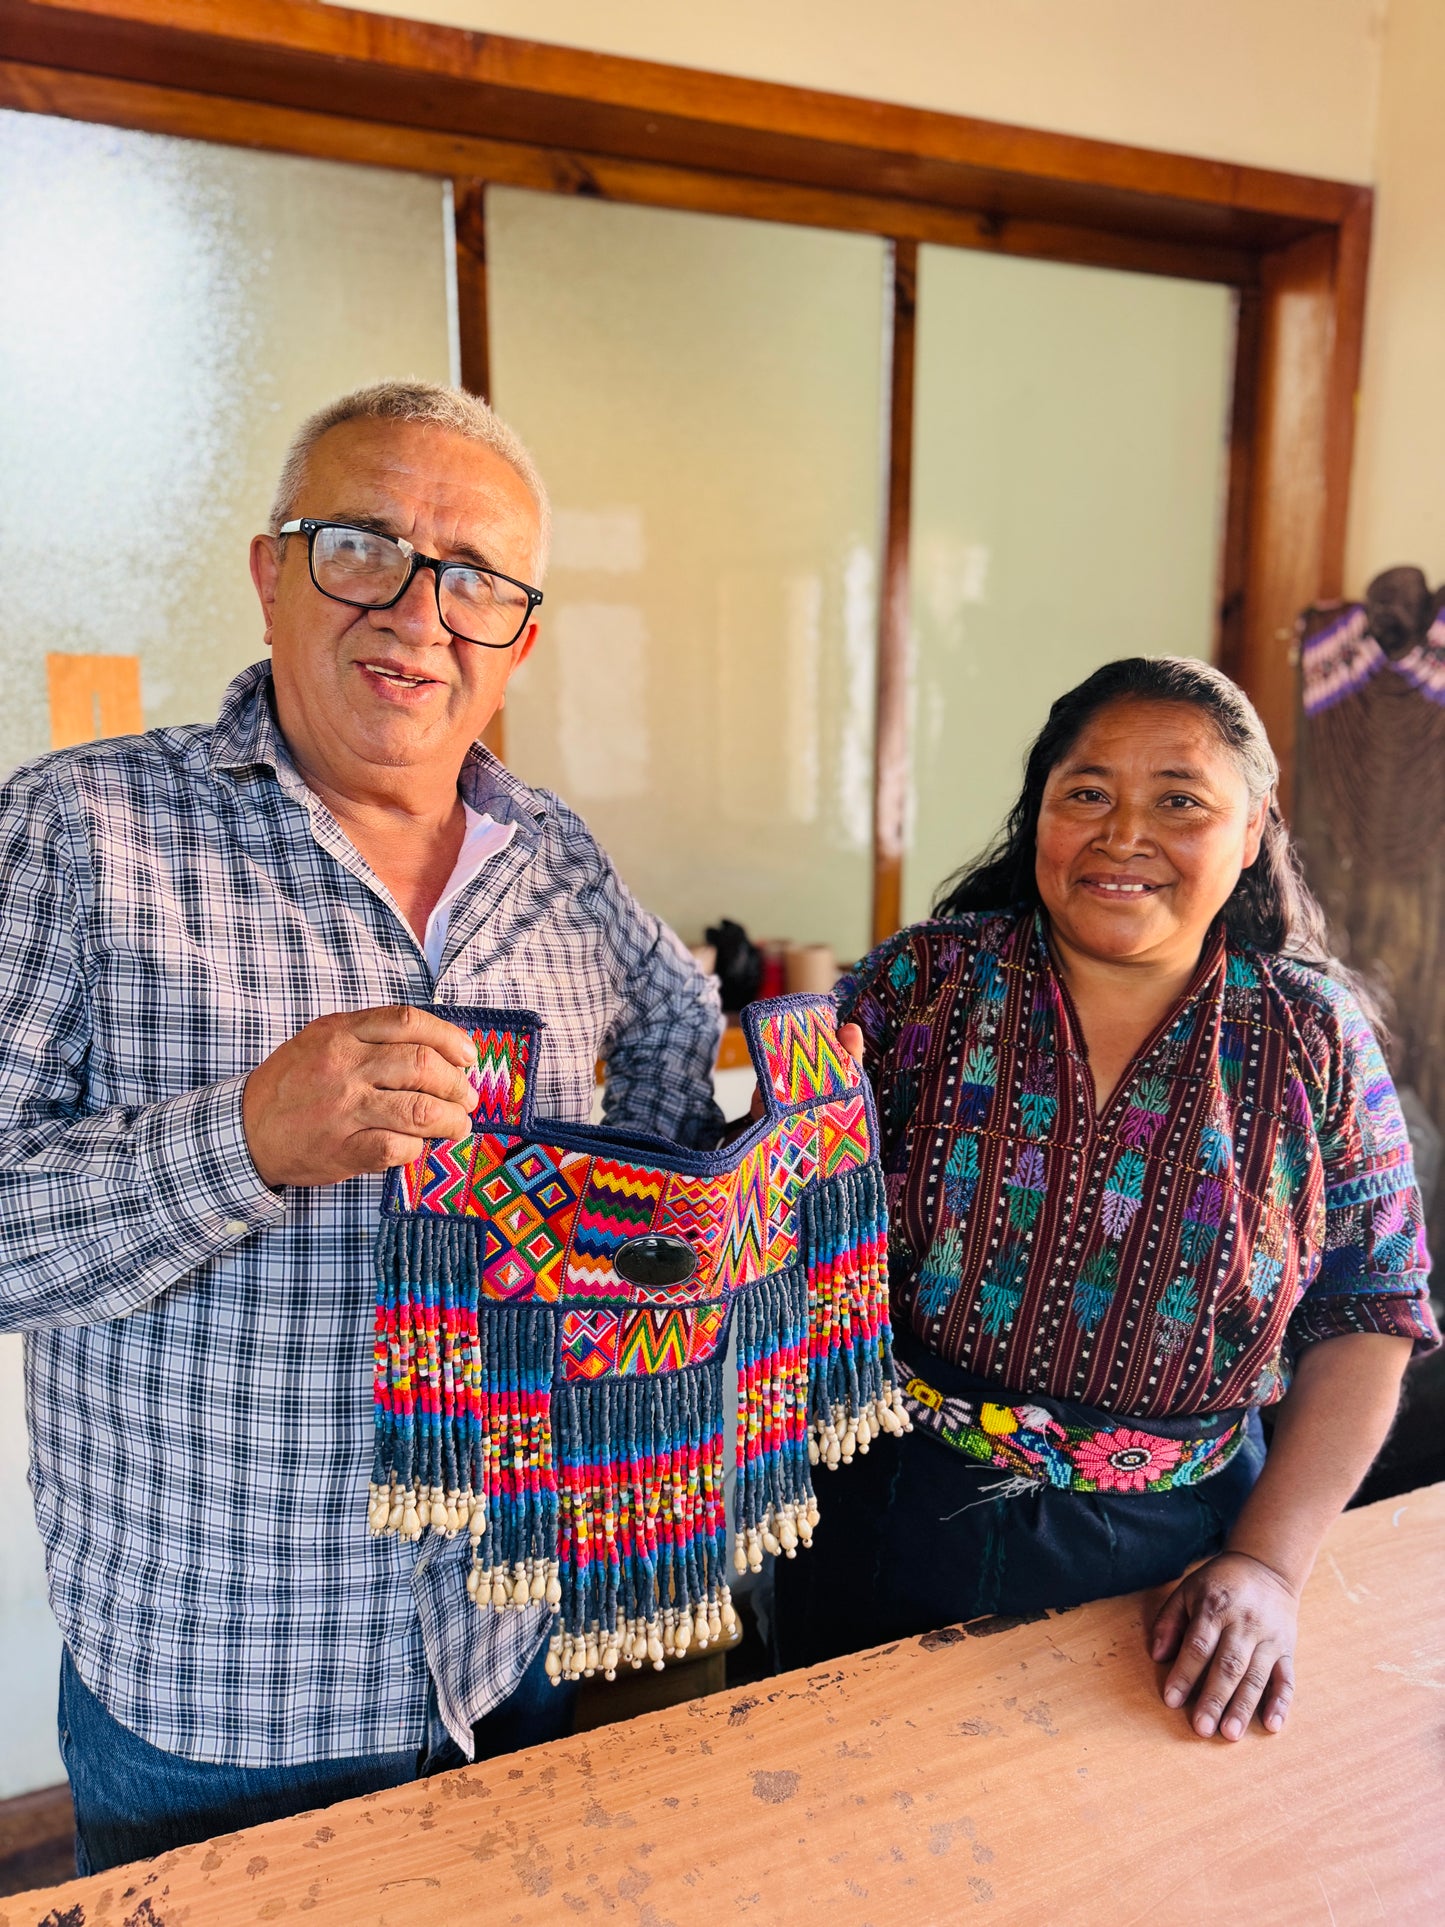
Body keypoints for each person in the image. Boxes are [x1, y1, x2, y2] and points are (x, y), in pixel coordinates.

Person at [0, 380, 724, 1872]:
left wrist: (687, 1197)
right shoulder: (74, 831)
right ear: (272, 570)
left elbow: (671, 1035)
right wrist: (246, 1138)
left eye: (475, 582)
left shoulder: (558, 861)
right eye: (361, 547)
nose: (416, 612)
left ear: (518, 635)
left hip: (504, 1637)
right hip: (215, 1690)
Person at [775, 656, 1437, 1744]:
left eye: (1177, 800)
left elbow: (1370, 1311)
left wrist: (1266, 1565)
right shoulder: (917, 989)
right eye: (1085, 792)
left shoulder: (1309, 1036)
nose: (1121, 834)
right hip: (888, 1523)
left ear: (1252, 825)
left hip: (1177, 1575)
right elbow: (779, 1215)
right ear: (1036, 810)